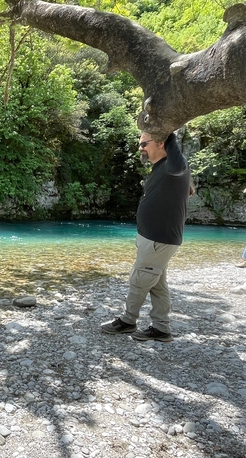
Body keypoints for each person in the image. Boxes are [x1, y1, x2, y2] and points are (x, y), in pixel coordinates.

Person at [101, 131, 190, 342]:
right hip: (155, 238)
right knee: (157, 284)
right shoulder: (162, 167)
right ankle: (161, 328)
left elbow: (178, 168)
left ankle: (127, 321)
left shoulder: (174, 164)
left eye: (143, 143)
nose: (140, 147)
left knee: (140, 280)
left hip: (158, 238)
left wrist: (170, 137)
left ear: (161, 143)